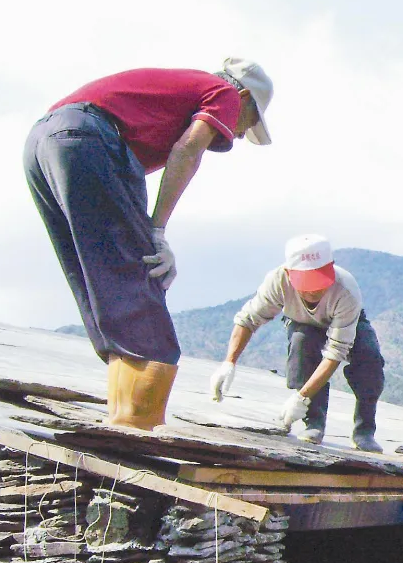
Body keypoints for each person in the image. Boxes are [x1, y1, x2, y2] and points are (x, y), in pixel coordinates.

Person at [24, 58, 273, 429]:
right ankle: (137, 428)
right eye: (249, 121)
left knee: (103, 284)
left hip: (43, 143)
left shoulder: (176, 93)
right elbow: (188, 150)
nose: (238, 135)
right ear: (244, 97)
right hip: (87, 137)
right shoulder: (224, 92)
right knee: (139, 281)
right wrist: (156, 231)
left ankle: (122, 416)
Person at [210, 234, 386, 452]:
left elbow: (336, 352)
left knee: (369, 359)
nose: (313, 291)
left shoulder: (346, 290)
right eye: (306, 284)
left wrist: (301, 397)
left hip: (348, 323)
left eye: (318, 283)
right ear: (288, 273)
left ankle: (364, 431)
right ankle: (314, 424)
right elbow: (248, 320)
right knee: (302, 344)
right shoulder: (277, 281)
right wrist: (229, 363)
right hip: (302, 322)